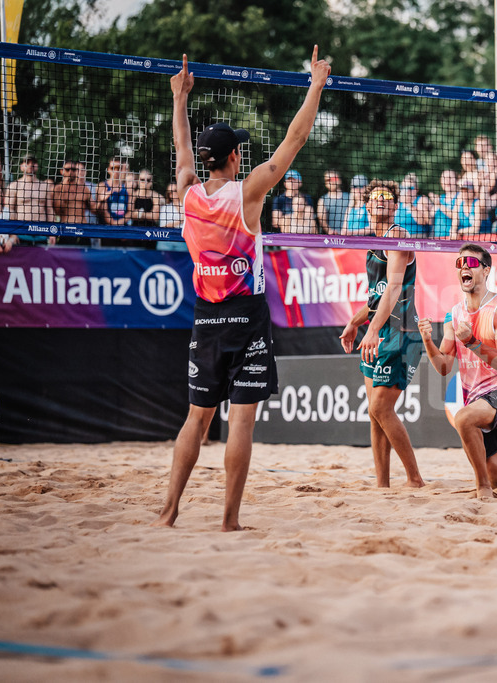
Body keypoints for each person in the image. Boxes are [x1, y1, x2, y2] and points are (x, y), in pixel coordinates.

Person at [152, 47, 330, 532]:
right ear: (234, 156)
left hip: (206, 317)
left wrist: (179, 99)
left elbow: (181, 148)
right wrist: (315, 85)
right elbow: (294, 140)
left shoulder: (188, 189)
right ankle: (228, 521)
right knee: (241, 421)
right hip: (246, 316)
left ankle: (168, 512)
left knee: (197, 419)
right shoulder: (248, 192)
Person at [417, 243, 497, 500]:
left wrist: (472, 342)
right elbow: (443, 367)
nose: (465, 266)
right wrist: (428, 342)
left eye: (472, 263)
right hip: (477, 398)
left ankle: (482, 486)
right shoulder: (453, 315)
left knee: (464, 419)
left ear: (486, 271)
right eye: (460, 263)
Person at [339, 180, 425, 489]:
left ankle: (415, 480)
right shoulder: (370, 241)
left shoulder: (397, 235)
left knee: (380, 407)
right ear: (366, 207)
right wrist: (354, 322)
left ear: (395, 206)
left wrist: (371, 330)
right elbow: (376, 299)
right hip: (381, 328)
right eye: (374, 197)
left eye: (387, 197)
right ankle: (382, 485)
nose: (380, 201)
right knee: (374, 414)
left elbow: (393, 288)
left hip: (402, 332)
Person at [51, 160, 93, 224]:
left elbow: (94, 210)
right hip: (66, 226)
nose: (70, 172)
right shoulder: (57, 189)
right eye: (67, 169)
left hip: (82, 226)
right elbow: (58, 211)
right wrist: (63, 189)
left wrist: (101, 200)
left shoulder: (84, 189)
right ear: (62, 171)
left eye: (73, 169)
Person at [96, 157, 130, 226]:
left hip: (123, 229)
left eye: (119, 168)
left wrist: (118, 223)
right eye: (113, 168)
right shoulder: (102, 186)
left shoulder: (128, 188)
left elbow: (130, 212)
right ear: (108, 170)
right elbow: (103, 211)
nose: (116, 171)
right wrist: (113, 223)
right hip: (105, 228)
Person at [317, 170, 350, 234]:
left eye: (333, 179)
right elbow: (322, 221)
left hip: (349, 236)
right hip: (331, 238)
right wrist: (330, 231)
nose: (331, 182)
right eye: (327, 180)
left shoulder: (350, 197)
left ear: (339, 181)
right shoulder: (322, 200)